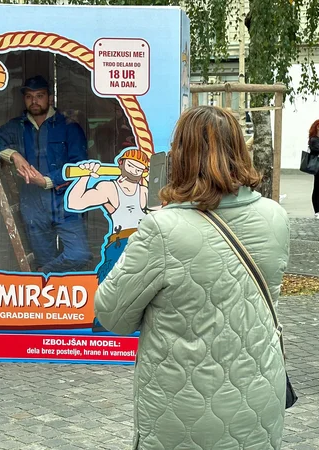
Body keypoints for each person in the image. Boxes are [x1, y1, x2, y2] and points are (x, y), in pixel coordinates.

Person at [94, 106, 290, 449]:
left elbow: (112, 314)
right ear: (239, 151)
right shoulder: (275, 216)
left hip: (182, 409)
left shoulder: (161, 229)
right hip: (259, 396)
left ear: (180, 158)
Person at [0, 75, 91, 274]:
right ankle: (51, 293)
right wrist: (13, 155)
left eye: (39, 96)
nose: (34, 101)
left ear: (50, 98)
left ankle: (42, 271)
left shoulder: (69, 127)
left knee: (79, 255)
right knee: (45, 255)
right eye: (29, 96)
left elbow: (80, 166)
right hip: (32, 202)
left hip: (66, 201)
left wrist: (47, 181)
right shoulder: (17, 126)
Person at [65, 148, 150, 283]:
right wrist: (85, 176)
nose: (133, 172)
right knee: (111, 284)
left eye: (138, 170)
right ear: (121, 164)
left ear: (143, 172)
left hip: (145, 244)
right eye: (130, 166)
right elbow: (75, 203)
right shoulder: (109, 188)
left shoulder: (145, 191)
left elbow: (163, 211)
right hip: (120, 243)